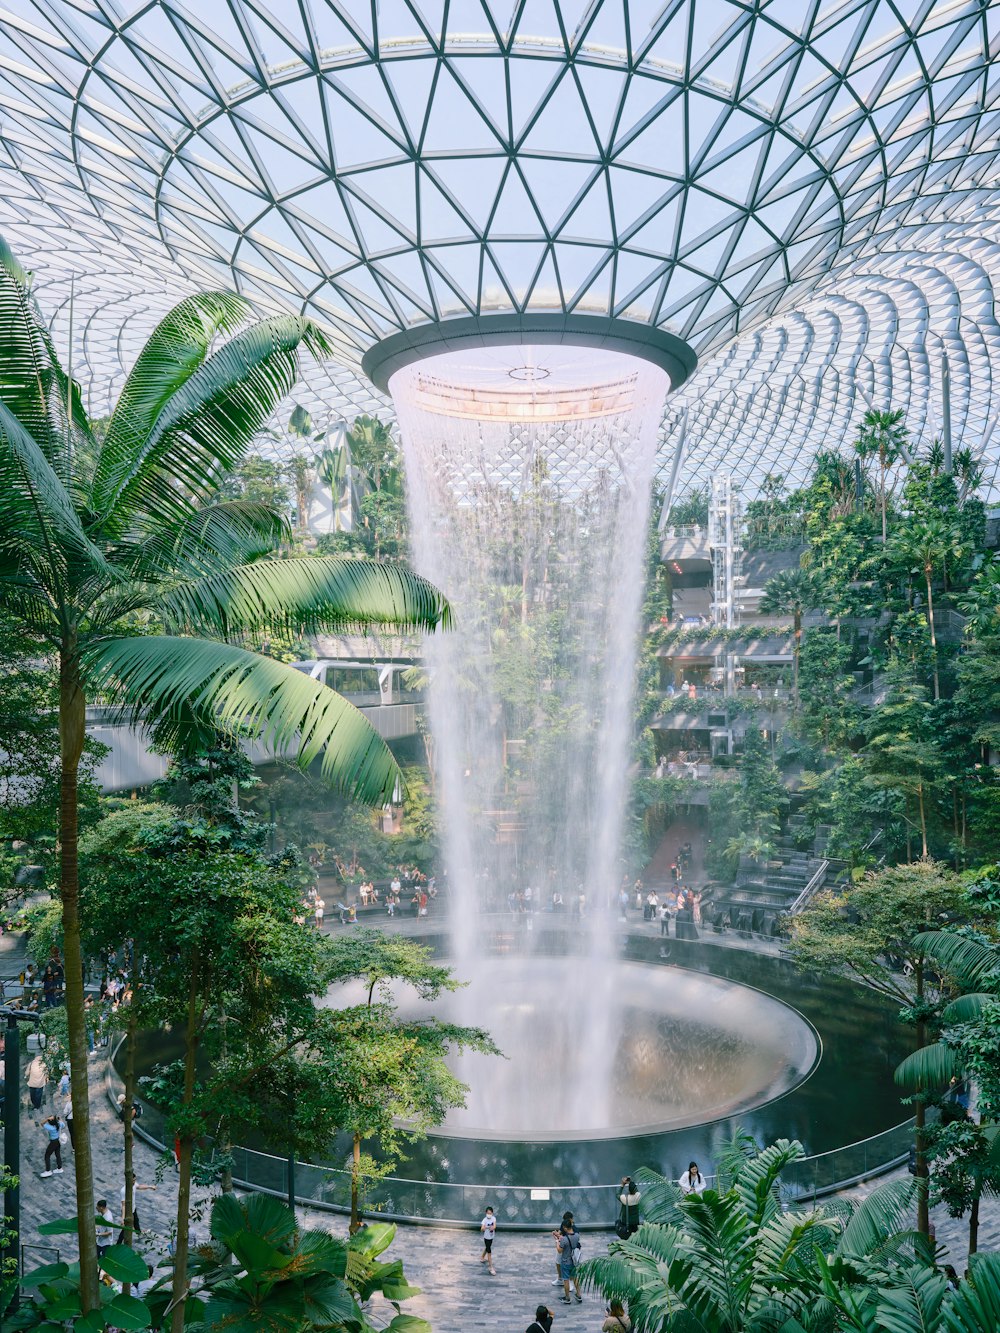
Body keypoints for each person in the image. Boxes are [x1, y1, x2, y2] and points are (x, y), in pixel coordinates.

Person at [557, 1221, 582, 1303]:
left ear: (565, 1227)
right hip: (574, 1261)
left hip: (566, 1261)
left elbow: (559, 1250)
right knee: (575, 1278)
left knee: (566, 1280)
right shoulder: (577, 1236)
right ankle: (579, 1295)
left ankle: (567, 1298)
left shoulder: (564, 1239)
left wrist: (557, 1242)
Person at [479, 1204, 497, 1275]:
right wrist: (485, 1228)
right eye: (488, 1213)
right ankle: (491, 1267)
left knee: (487, 1248)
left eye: (490, 1213)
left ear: (492, 1213)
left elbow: (495, 1225)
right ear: (486, 1213)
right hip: (486, 1238)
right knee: (489, 1251)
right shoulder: (484, 1220)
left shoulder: (494, 1218)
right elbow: (482, 1228)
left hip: (491, 1236)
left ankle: (482, 1257)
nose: (489, 1214)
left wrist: (493, 1227)